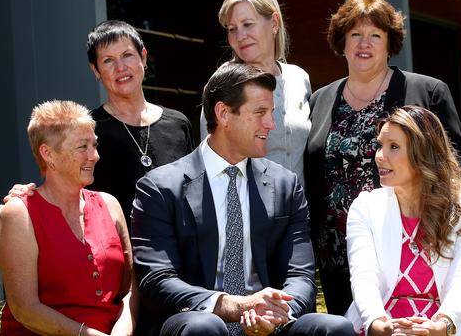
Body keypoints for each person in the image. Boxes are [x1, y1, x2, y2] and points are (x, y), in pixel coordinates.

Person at [304, 0, 461, 316]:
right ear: (342, 42)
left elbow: (460, 163)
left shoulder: (426, 92)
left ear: (389, 43)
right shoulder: (319, 100)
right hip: (336, 254)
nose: (365, 44)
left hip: (409, 246)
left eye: (375, 35)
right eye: (356, 35)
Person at [132, 62, 354, 336]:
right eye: (260, 113)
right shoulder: (161, 188)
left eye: (271, 113)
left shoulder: (285, 185)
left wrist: (278, 313)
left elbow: (300, 276)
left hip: (270, 325)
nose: (271, 124)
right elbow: (157, 280)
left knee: (336, 328)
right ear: (223, 113)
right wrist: (234, 306)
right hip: (198, 320)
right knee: (204, 327)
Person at [6, 20, 194, 227]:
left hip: (182, 251)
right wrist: (27, 196)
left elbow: (195, 193)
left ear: (143, 57)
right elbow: (61, 187)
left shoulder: (178, 124)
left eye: (127, 55)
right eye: (108, 61)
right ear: (95, 70)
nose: (121, 68)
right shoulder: (88, 130)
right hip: (118, 251)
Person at [0, 100, 136, 335]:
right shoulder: (20, 213)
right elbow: (25, 309)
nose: (95, 155)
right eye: (83, 147)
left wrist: (124, 329)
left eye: (95, 144)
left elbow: (130, 288)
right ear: (48, 153)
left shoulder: (110, 205)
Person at [345, 106, 461, 335]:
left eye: (394, 147)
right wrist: (379, 325)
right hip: (381, 326)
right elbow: (364, 278)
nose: (380, 156)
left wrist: (442, 326)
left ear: (423, 154)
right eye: (380, 145)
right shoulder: (365, 207)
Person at [200, 0, 311, 184]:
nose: (240, 36)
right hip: (247, 210)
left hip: (298, 211)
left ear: (274, 23)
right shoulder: (222, 85)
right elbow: (212, 165)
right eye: (232, 29)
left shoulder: (298, 78)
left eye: (248, 24)